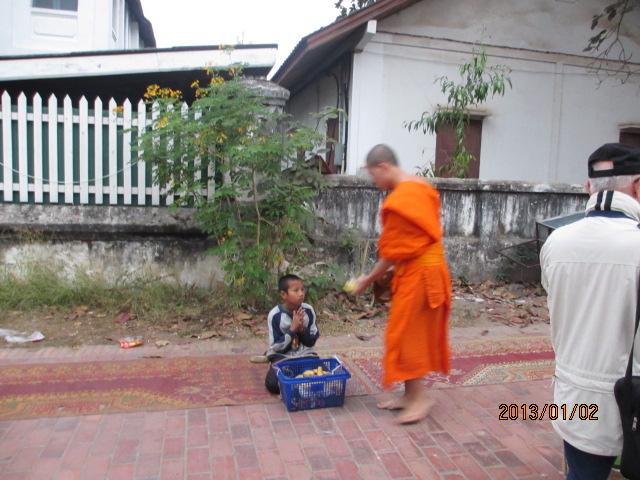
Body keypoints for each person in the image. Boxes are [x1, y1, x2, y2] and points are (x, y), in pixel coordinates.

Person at [540, 143, 640, 480]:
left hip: (574, 396)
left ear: (588, 187)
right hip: (630, 398)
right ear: (638, 186)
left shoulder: (556, 242)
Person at [352, 144, 451, 424]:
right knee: (405, 330)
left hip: (422, 275)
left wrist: (368, 279)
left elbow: (393, 253)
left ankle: (420, 398)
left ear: (383, 167)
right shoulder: (420, 187)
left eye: (374, 176)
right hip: (422, 271)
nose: (375, 183)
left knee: (409, 334)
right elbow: (409, 243)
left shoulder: (403, 198)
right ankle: (410, 395)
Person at [264, 274, 320, 394]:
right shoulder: (275, 315)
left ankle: (295, 384)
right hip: (282, 357)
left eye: (302, 290)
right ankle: (298, 384)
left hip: (305, 354)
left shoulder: (308, 311)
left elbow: (311, 342)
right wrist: (292, 330)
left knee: (322, 376)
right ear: (283, 294)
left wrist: (302, 329)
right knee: (273, 384)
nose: (301, 294)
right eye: (296, 290)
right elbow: (276, 347)